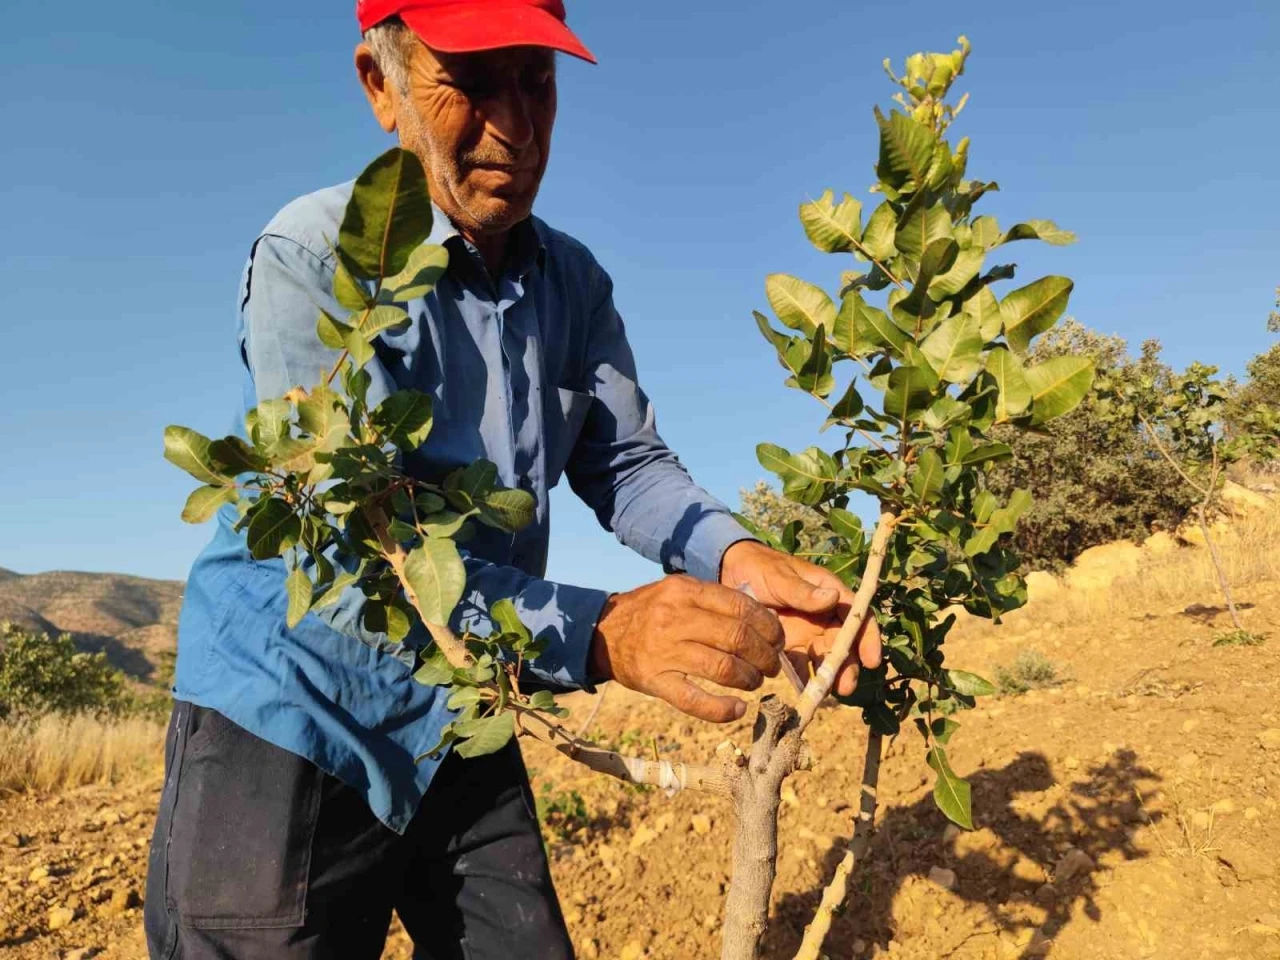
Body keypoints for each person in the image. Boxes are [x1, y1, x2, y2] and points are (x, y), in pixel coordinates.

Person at [144, 1, 881, 957]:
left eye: (537, 81)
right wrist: (604, 631)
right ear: (382, 87)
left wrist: (739, 559)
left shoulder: (572, 282)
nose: (517, 126)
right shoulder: (314, 260)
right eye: (472, 82)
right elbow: (360, 561)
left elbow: (626, 464)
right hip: (294, 713)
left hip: (464, 707)